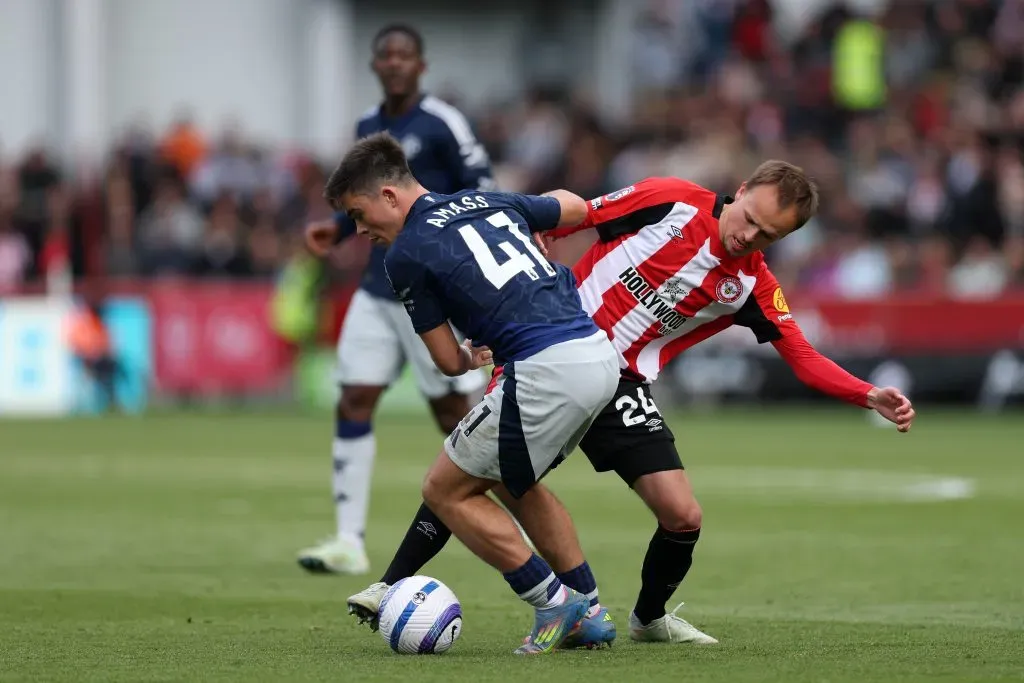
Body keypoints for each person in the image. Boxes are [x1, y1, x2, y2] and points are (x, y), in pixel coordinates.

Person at [345, 163, 917, 646]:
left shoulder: (752, 288)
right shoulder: (672, 201)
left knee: (682, 515)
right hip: (551, 345)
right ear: (739, 192)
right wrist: (535, 241)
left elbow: (804, 356)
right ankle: (395, 582)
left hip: (621, 385)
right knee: (478, 472)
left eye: (767, 236)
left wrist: (867, 393)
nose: (748, 237)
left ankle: (647, 618)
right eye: (748, 220)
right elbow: (584, 212)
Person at [322, 132, 621, 655]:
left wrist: (469, 355)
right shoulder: (484, 199)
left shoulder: (406, 254)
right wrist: (540, 234)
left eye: (359, 213)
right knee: (513, 484)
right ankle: (590, 609)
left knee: (444, 489)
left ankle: (555, 604)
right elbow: (573, 207)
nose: (360, 229)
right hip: (596, 353)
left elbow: (444, 361)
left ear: (389, 196)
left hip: (545, 367)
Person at [299, 24, 493, 574]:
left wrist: (454, 246)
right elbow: (359, 198)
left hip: (432, 289)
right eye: (386, 54)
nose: (395, 63)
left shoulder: (444, 123)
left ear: (421, 65)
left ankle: (516, 519)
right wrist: (336, 232)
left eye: (405, 54)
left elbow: (482, 186)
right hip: (375, 286)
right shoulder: (367, 123)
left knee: (458, 414)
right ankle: (348, 541)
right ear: (375, 64)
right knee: (353, 399)